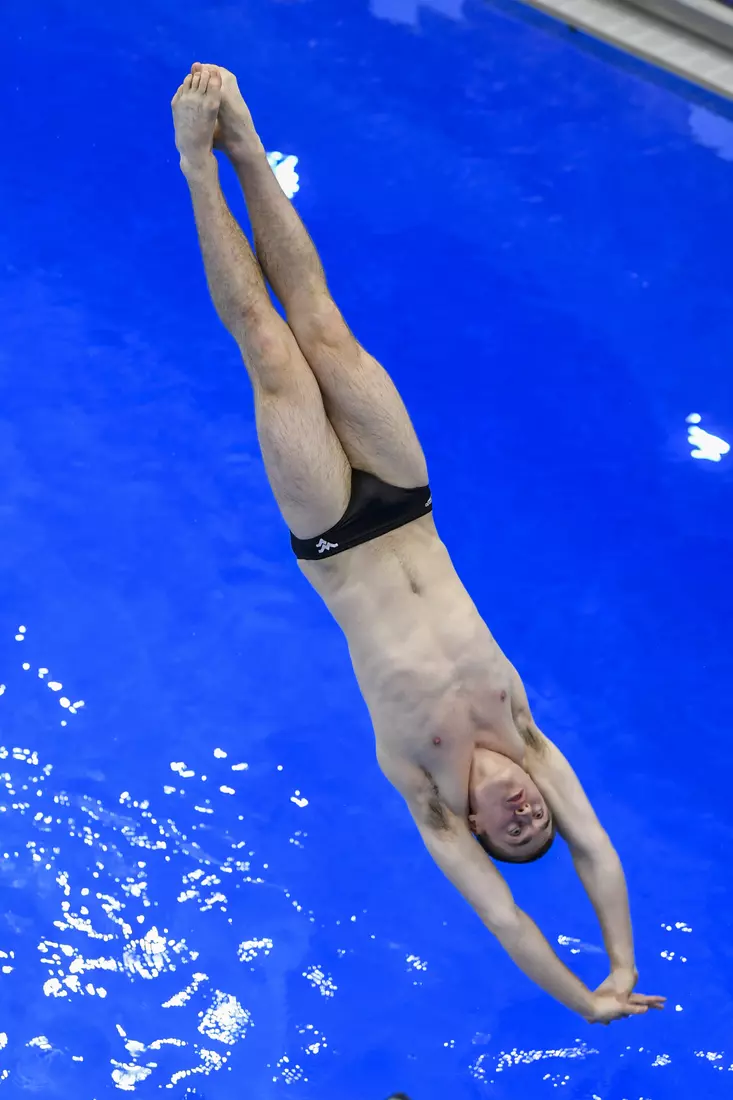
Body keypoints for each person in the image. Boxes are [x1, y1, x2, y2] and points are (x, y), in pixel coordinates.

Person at [171, 64, 665, 1024]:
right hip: (406, 500)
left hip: (330, 537)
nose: (525, 818)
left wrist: (584, 999)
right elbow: (597, 852)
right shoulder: (528, 739)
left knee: (269, 351)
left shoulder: (429, 797)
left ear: (474, 829)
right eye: (536, 823)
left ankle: (196, 164)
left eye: (508, 836)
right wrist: (618, 958)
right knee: (320, 320)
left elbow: (510, 925)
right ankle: (245, 140)